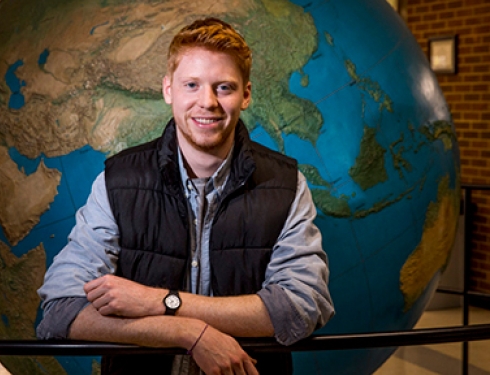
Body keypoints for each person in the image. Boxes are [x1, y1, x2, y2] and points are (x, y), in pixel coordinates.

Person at [37, 17, 334, 375]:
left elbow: (300, 306)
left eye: (223, 87)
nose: (206, 102)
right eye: (191, 85)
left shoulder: (286, 185)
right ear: (168, 91)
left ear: (246, 94)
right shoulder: (118, 182)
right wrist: (186, 331)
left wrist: (158, 301)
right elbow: (61, 309)